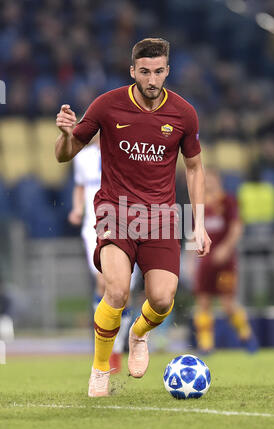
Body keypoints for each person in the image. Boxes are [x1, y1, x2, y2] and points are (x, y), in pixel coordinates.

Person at [55, 38, 211, 397]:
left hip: (160, 217)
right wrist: (66, 135)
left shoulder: (184, 113)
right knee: (116, 290)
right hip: (116, 211)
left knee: (161, 298)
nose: (152, 79)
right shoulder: (107, 106)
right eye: (145, 72)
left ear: (167, 71)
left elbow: (195, 168)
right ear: (132, 72)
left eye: (158, 72)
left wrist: (198, 223)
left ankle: (138, 333)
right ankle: (99, 370)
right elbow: (64, 155)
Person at [68, 136, 136, 373]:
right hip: (94, 226)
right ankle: (103, 349)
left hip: (125, 223)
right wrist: (77, 209)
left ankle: (116, 350)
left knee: (121, 292)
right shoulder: (84, 157)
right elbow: (80, 186)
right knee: (104, 281)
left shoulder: (126, 151)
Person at [193, 168, 258, 353]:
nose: (209, 183)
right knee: (203, 302)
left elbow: (237, 227)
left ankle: (246, 335)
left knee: (227, 303)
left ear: (219, 180)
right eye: (206, 179)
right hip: (205, 261)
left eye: (211, 179)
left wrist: (226, 248)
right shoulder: (199, 204)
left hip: (225, 261)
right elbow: (193, 233)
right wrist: (191, 260)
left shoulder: (228, 201)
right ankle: (206, 345)